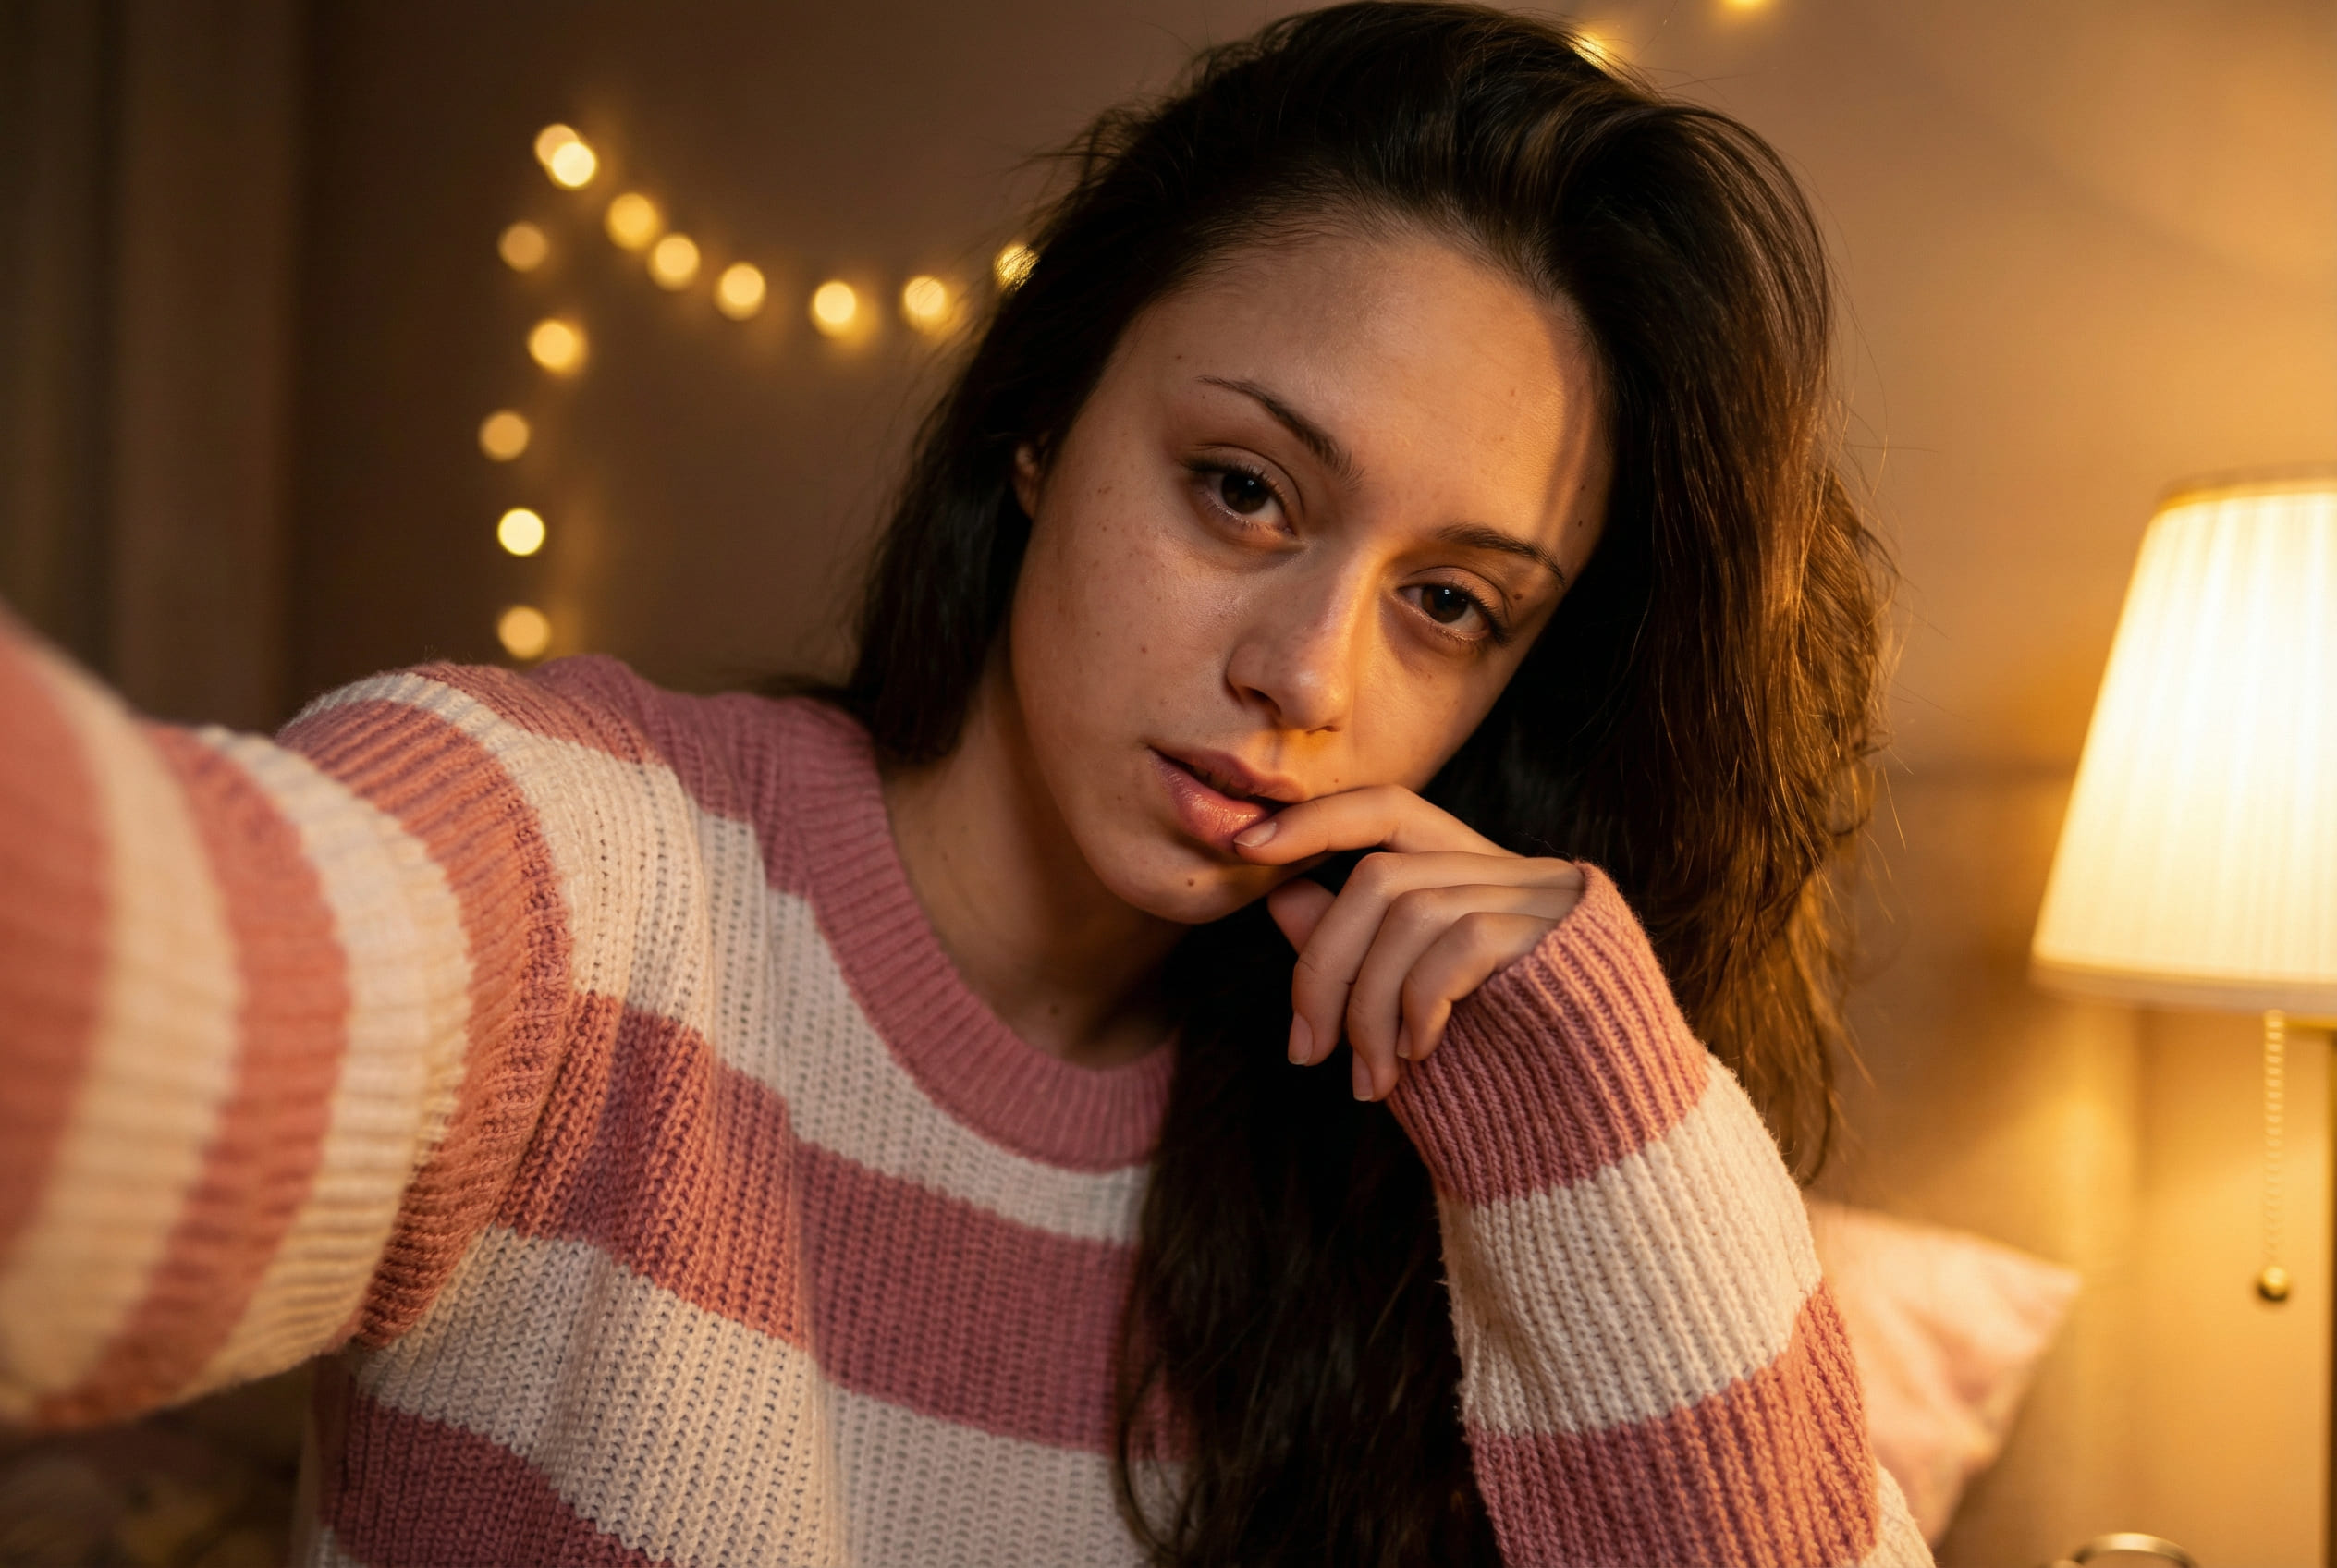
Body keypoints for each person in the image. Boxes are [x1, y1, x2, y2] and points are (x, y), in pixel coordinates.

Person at [0, 4, 1929, 1563]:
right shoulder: (589, 872)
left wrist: (1590, 1109)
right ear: (1038, 424)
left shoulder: (1410, 1150)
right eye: (1241, 487)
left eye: (1447, 602)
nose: (1306, 674)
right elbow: (184, 988)